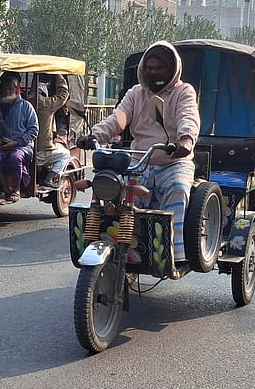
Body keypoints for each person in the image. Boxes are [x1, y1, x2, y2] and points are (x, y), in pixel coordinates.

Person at [79, 41, 199, 262]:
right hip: (138, 162)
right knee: (116, 196)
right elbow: (119, 118)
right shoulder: (136, 93)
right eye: (149, 68)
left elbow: (188, 117)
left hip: (173, 162)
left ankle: (177, 251)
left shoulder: (183, 92)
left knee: (179, 188)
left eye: (159, 68)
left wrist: (185, 140)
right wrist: (96, 135)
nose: (153, 73)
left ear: (172, 69)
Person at [0, 72, 38, 202]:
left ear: (17, 90)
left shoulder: (26, 107)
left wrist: (17, 142)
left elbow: (33, 130)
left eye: (10, 89)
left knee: (15, 158)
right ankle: (6, 188)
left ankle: (16, 189)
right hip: (4, 145)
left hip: (23, 146)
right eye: (4, 89)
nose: (7, 91)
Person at [30, 73, 71, 188]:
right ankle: (48, 179)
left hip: (28, 148)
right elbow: (63, 94)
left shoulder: (25, 102)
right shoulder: (46, 104)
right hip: (41, 151)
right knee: (65, 154)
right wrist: (58, 73)